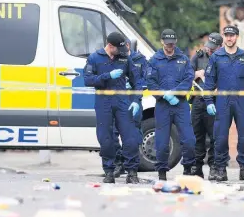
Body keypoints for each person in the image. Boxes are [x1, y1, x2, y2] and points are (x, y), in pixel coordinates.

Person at [83, 32, 143, 184]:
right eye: (118, 49)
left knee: (130, 138)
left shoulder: (124, 58)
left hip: (122, 102)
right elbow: (88, 80)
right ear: (110, 46)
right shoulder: (94, 58)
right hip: (103, 102)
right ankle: (109, 171)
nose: (122, 52)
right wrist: (107, 76)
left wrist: (136, 100)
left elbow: (137, 81)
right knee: (106, 138)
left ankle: (132, 172)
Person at [203, 25, 244, 181]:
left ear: (237, 36)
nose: (229, 38)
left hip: (242, 101)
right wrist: (208, 101)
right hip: (223, 101)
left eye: (232, 35)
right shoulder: (216, 57)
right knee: (220, 136)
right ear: (224, 37)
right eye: (227, 35)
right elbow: (209, 83)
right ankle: (221, 169)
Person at [146, 29, 196, 181]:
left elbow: (188, 80)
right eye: (167, 43)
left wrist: (173, 93)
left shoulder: (183, 59)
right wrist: (164, 95)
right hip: (163, 106)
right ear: (162, 42)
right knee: (161, 142)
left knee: (189, 140)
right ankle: (162, 173)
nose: (170, 46)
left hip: (180, 105)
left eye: (172, 43)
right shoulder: (155, 60)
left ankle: (187, 168)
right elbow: (151, 82)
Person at [112, 42, 148, 177]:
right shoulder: (115, 58)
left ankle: (132, 167)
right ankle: (118, 162)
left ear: (129, 45)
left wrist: (135, 85)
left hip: (134, 100)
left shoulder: (140, 59)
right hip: (118, 100)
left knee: (133, 135)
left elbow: (147, 79)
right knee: (113, 133)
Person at [190, 32, 223, 180]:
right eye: (209, 47)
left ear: (220, 47)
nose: (209, 50)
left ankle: (214, 167)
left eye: (213, 48)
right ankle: (197, 167)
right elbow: (185, 75)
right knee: (197, 135)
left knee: (215, 136)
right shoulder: (198, 56)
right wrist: (198, 73)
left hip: (215, 101)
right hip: (198, 100)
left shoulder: (223, 59)